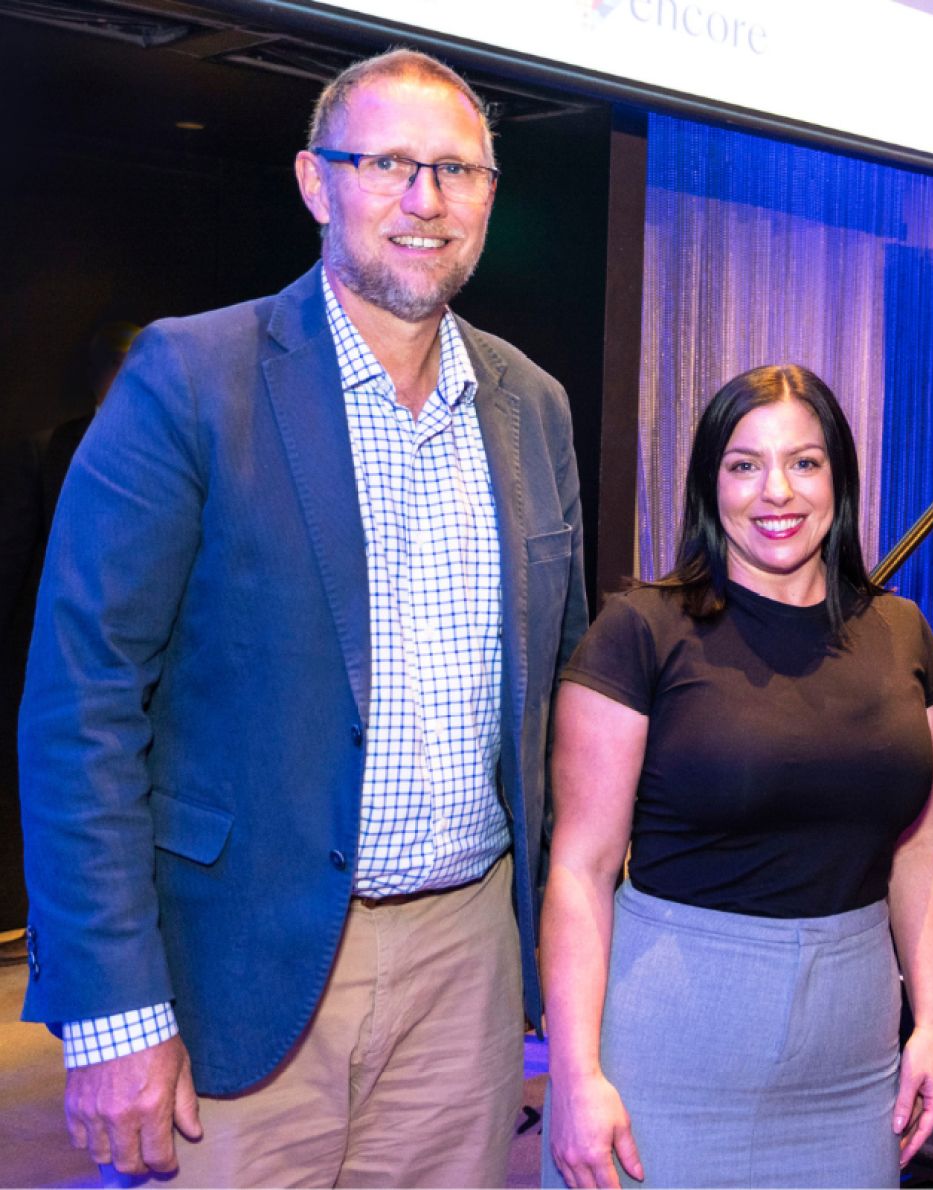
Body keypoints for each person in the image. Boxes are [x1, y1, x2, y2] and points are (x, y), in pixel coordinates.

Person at [17, 48, 588, 1186]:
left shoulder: (534, 406)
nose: (425, 200)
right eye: (388, 164)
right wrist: (116, 1006)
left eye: (457, 171)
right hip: (235, 965)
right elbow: (81, 703)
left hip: (465, 967)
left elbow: (563, 690)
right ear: (314, 184)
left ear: (488, 196)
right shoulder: (191, 376)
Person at [541, 364, 933, 1189]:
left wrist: (932, 1025)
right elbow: (580, 871)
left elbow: (922, 846)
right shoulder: (639, 633)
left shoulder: (901, 633)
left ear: (838, 476)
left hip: (851, 1059)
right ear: (709, 484)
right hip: (667, 1054)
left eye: (804, 462)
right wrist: (576, 1074)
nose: (777, 492)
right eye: (743, 464)